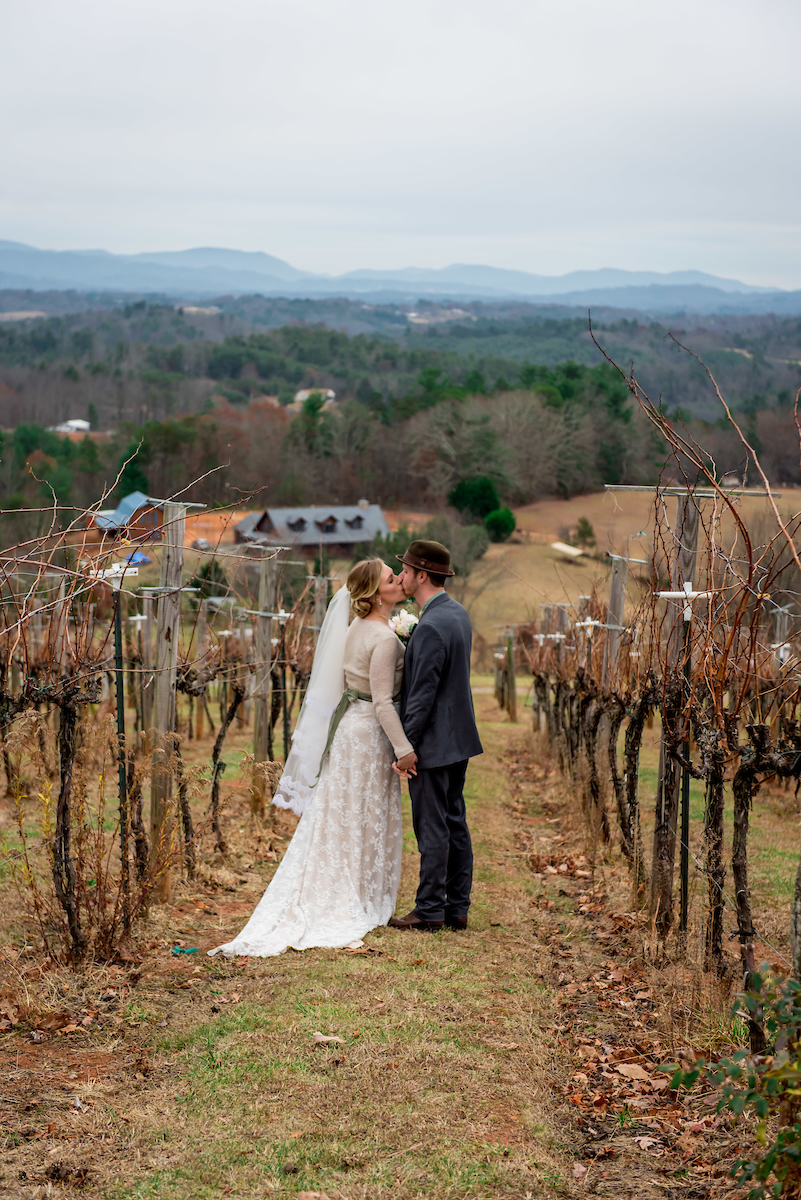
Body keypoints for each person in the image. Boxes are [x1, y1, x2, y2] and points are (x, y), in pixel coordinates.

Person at [209, 559, 413, 958]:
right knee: (362, 813)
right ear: (374, 594)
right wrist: (404, 750)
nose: (399, 581)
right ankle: (356, 894)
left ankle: (347, 884)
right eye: (391, 579)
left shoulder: (358, 628)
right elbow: (384, 703)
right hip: (369, 732)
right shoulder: (386, 639)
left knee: (343, 814)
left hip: (348, 730)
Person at [389, 539, 483, 933]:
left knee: (432, 826)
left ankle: (429, 909)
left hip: (433, 743)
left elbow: (421, 696)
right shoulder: (456, 614)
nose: (403, 577)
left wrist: (406, 747)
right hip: (458, 739)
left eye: (407, 571)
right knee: (454, 821)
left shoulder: (429, 626)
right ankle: (456, 907)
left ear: (422, 574)